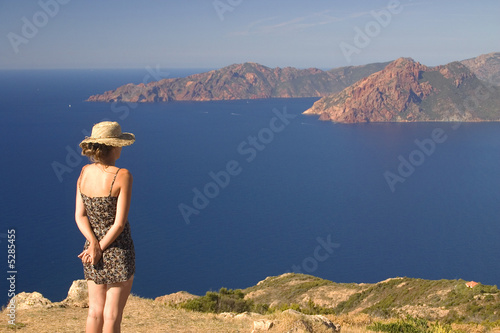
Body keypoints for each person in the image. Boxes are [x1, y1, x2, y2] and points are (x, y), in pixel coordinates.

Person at [75, 121, 136, 333]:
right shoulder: (122, 175)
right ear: (114, 146)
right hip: (118, 249)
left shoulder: (84, 172)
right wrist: (101, 247)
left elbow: (80, 216)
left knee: (94, 312)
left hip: (90, 252)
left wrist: (93, 244)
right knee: (111, 316)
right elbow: (119, 224)